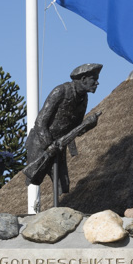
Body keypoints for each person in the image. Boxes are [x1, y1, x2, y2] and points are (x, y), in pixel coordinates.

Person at [25, 63, 102, 204]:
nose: (97, 82)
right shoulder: (60, 91)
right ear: (84, 79)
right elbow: (40, 121)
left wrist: (89, 125)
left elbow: (76, 129)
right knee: (35, 176)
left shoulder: (83, 99)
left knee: (63, 185)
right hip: (42, 142)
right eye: (94, 79)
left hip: (60, 144)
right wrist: (48, 144)